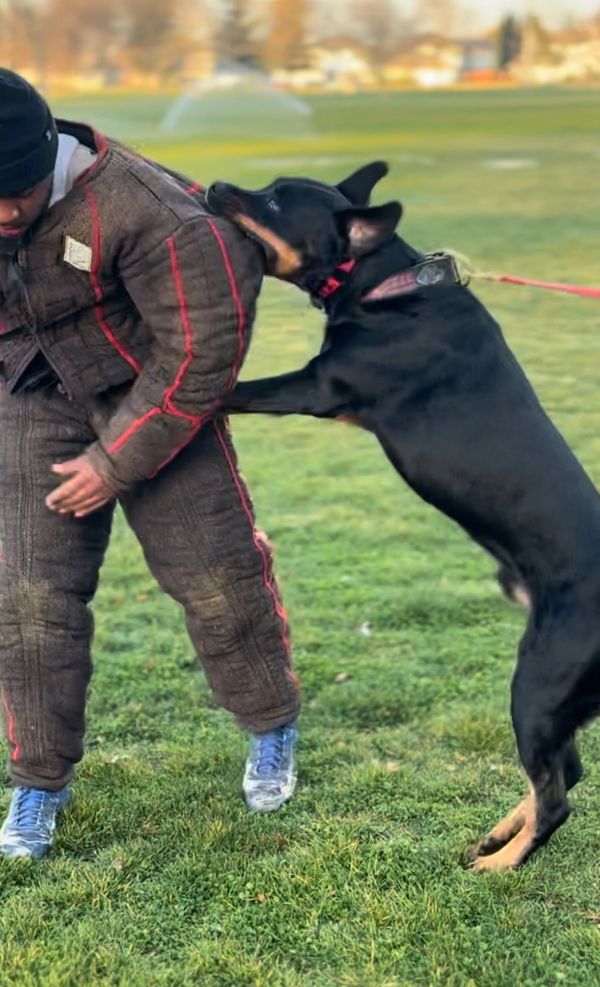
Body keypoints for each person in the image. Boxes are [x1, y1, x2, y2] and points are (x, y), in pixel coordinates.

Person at [0, 69, 300, 859]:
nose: (3, 212)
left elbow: (203, 352)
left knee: (216, 578)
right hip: (36, 393)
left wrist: (114, 459)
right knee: (28, 596)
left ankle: (270, 725)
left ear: (46, 157)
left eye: (18, 192)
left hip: (156, 392)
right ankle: (38, 781)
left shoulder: (149, 207)